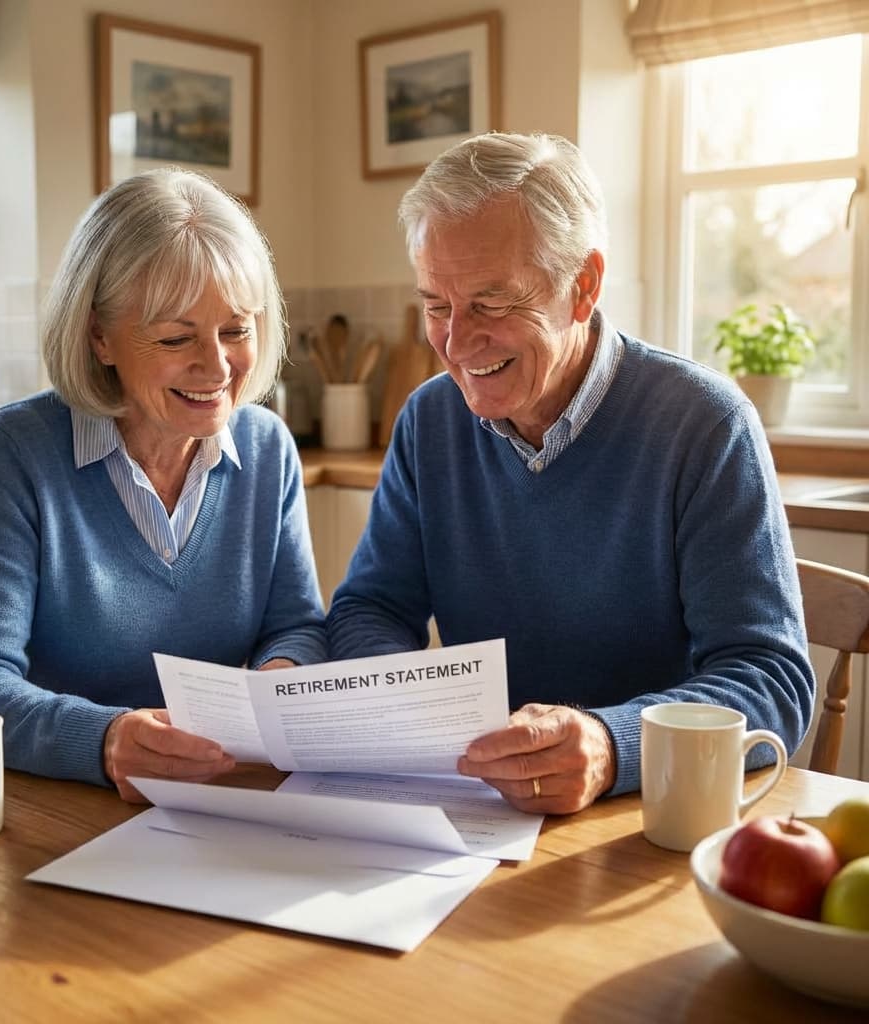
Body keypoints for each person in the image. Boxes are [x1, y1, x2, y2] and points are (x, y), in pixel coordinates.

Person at [327, 131, 814, 815]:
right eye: (437, 306)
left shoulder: (704, 425)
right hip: (481, 812)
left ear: (582, 286)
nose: (457, 344)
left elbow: (771, 681)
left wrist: (611, 744)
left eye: (492, 304)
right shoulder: (428, 421)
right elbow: (371, 608)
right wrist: (402, 698)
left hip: (646, 822)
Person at [0, 168, 326, 802]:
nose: (217, 367)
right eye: (176, 337)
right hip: (60, 809)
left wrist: (279, 683)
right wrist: (105, 740)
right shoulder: (15, 452)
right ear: (99, 336)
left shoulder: (267, 446)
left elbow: (297, 626)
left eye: (236, 330)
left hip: (220, 799)